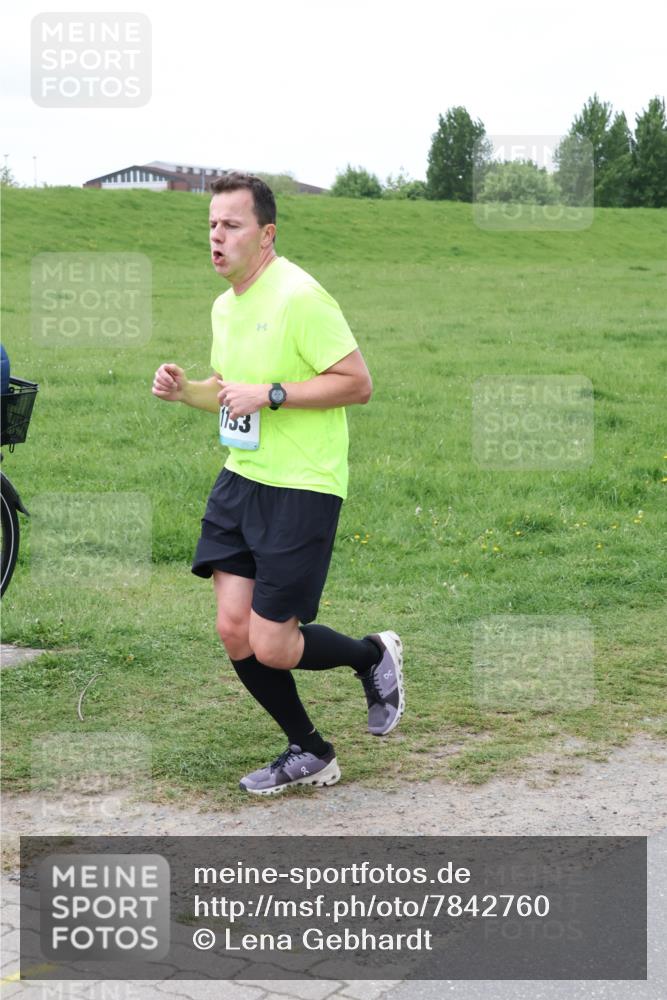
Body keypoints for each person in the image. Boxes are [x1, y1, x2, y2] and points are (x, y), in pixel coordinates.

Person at [152, 171, 404, 795]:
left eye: (231, 225)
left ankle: (371, 657)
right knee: (233, 629)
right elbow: (229, 389)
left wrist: (274, 394)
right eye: (211, 224)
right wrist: (188, 391)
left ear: (265, 235)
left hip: (302, 485)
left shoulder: (300, 296)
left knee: (273, 643)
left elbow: (357, 383)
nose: (217, 236)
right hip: (242, 477)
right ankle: (310, 749)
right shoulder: (225, 305)